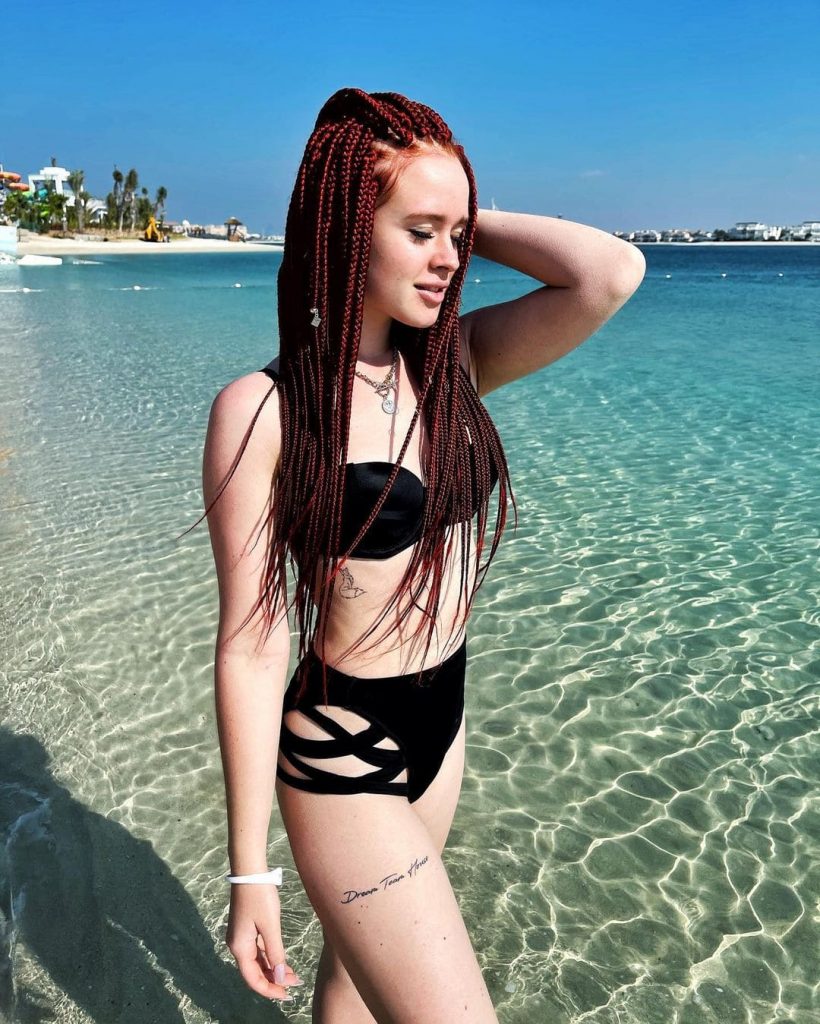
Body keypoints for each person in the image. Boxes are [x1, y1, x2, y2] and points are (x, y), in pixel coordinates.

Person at [201, 87, 645, 1022]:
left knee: (355, 993)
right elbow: (250, 644)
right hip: (344, 749)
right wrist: (250, 872)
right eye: (421, 232)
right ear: (346, 227)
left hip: (444, 714)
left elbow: (608, 274)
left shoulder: (454, 365)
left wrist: (454, 211)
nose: (451, 260)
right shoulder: (264, 410)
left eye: (460, 235)